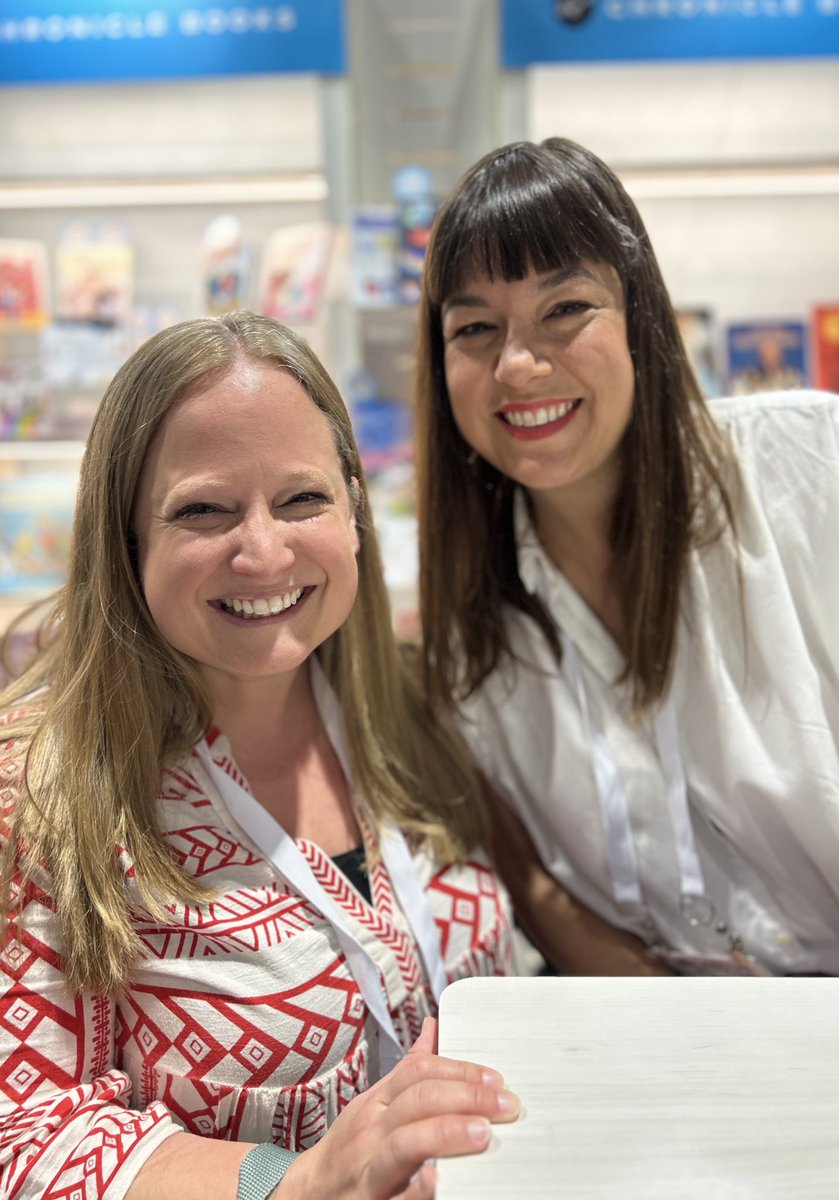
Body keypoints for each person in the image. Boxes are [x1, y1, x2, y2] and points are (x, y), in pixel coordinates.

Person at [0, 312, 519, 1200]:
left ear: (356, 508)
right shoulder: (38, 788)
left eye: (302, 499)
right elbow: (29, 1137)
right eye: (203, 510)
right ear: (127, 544)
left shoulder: (408, 710)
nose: (264, 550)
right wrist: (301, 1180)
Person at [413, 136, 839, 978]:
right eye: (474, 329)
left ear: (639, 315)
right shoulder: (469, 637)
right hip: (663, 1061)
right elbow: (535, 886)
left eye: (564, 309)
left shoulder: (807, 467)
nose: (518, 364)